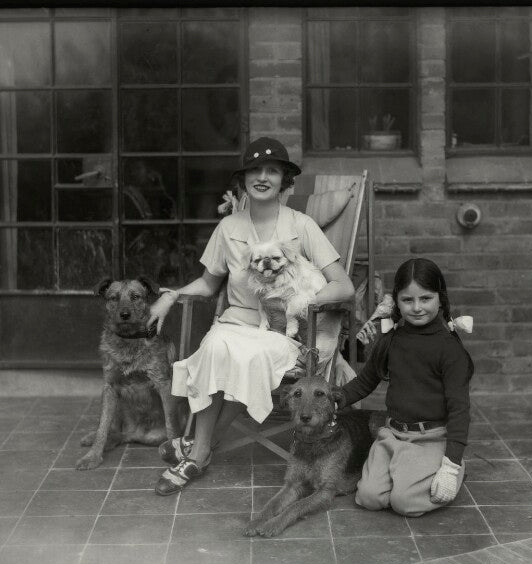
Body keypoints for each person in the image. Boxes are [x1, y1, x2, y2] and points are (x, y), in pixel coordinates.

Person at [146, 137, 355, 495]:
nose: (262, 177)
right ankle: (201, 448)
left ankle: (197, 450)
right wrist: (173, 295)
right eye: (254, 170)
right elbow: (209, 283)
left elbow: (344, 286)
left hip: (286, 332)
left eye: (271, 171)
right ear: (243, 180)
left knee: (245, 355)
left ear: (284, 180)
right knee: (216, 347)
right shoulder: (228, 229)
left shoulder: (301, 225)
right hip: (239, 321)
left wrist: (306, 304)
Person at [337, 257, 474, 517]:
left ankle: (451, 471)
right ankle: (407, 476)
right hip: (394, 434)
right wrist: (338, 398)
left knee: (403, 503)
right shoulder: (392, 340)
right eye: (407, 300)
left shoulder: (449, 348)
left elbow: (459, 409)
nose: (417, 307)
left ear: (440, 299)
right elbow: (366, 381)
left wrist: (451, 463)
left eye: (425, 299)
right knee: (368, 497)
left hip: (431, 438)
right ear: (397, 301)